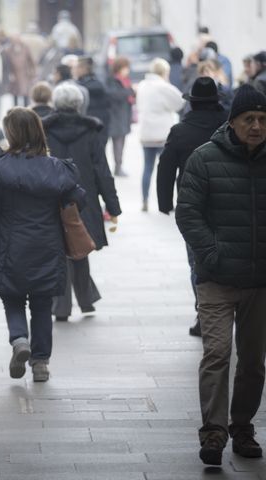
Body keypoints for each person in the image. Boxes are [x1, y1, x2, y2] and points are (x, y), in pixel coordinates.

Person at [175, 84, 266, 466]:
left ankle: (242, 426)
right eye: (250, 119)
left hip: (259, 281)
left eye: (263, 120)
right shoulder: (204, 158)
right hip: (215, 278)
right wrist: (211, 254)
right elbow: (188, 213)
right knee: (216, 353)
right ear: (233, 122)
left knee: (252, 360)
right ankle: (213, 432)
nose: (257, 127)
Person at [0, 107, 85, 383]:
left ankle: (20, 340)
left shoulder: (1, 169)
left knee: (13, 298)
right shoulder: (55, 169)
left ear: (12, 133)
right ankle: (41, 363)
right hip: (47, 246)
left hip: (10, 246)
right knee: (43, 305)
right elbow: (79, 198)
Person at [42, 83, 121, 321]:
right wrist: (113, 206)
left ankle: (63, 306)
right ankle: (85, 301)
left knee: (61, 249)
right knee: (79, 246)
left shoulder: (44, 130)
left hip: (51, 196)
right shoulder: (91, 130)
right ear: (79, 104)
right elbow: (102, 171)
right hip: (83, 197)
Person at [156, 77, 227, 338]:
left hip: (193, 204)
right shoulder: (230, 124)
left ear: (192, 104)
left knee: (197, 259)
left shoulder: (180, 131)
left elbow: (165, 167)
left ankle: (205, 313)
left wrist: (164, 202)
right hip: (231, 200)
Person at [136, 57, 184, 211]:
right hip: (162, 134)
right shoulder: (164, 86)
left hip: (146, 133)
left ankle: (144, 200)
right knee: (166, 170)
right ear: (165, 72)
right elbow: (180, 102)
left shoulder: (142, 85)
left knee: (147, 168)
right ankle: (166, 202)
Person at [106, 56, 135, 176]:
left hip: (124, 115)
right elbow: (114, 95)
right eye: (126, 67)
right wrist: (130, 91)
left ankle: (119, 166)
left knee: (121, 142)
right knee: (117, 143)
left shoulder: (125, 80)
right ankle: (118, 167)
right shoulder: (113, 80)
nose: (127, 70)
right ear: (119, 68)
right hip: (115, 116)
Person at [75, 56, 111, 148]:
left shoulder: (93, 86)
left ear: (85, 68)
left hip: (95, 127)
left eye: (78, 67)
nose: (75, 70)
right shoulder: (81, 84)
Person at [5, 34, 37, 107]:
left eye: (17, 39)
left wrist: (33, 73)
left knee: (26, 95)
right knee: (15, 96)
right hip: (14, 76)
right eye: (14, 40)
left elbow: (31, 61)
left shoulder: (25, 48)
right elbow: (6, 64)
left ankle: (26, 110)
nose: (16, 41)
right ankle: (16, 111)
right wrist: (9, 74)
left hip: (25, 75)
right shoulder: (8, 50)